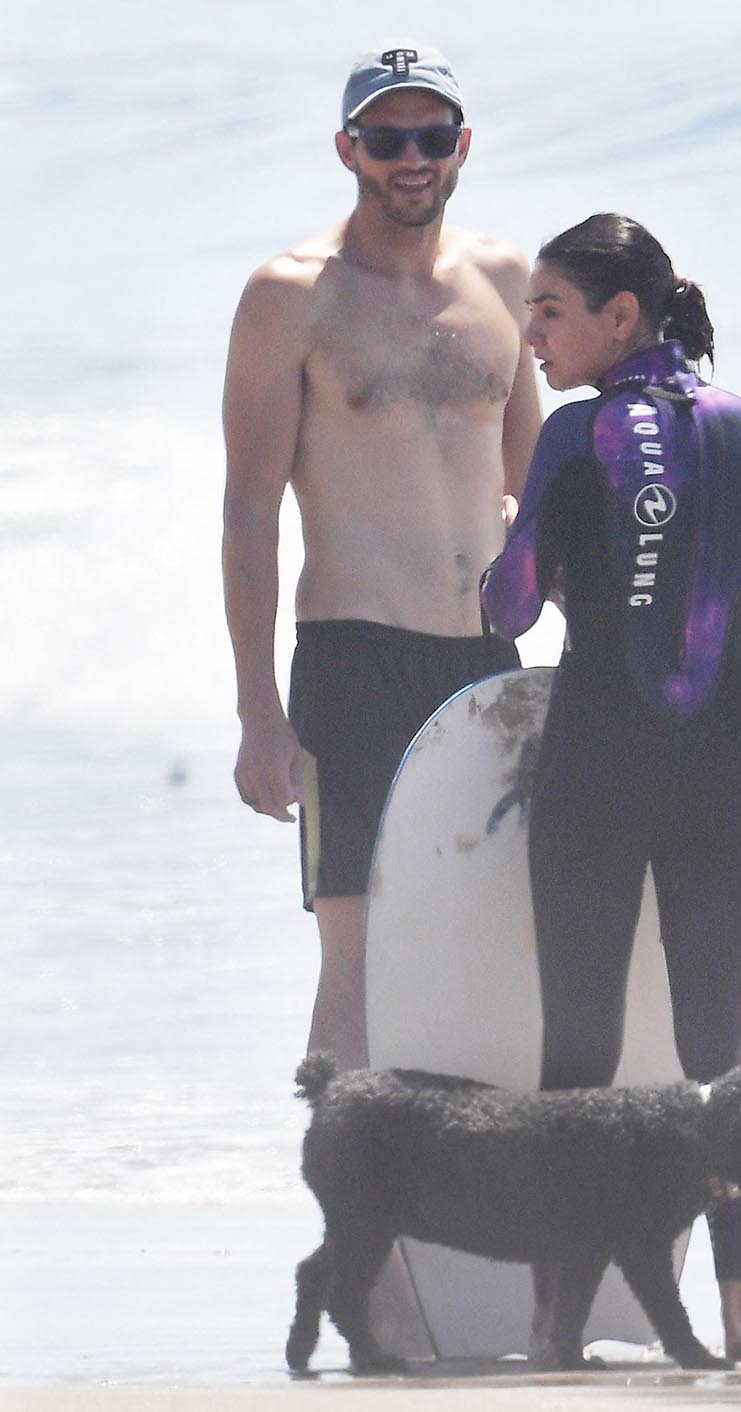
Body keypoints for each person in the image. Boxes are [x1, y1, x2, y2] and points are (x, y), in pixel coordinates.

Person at [481, 214, 741, 1362]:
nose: (530, 335)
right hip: (724, 757)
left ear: (622, 318)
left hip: (600, 758)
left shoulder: (577, 436)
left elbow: (508, 607)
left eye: (550, 310)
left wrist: (534, 542)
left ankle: (553, 1315)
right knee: (727, 1036)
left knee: (582, 1042)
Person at [222, 42, 542, 1068]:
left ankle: (459, 1216)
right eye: (388, 137)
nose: (412, 157)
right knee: (356, 962)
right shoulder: (290, 295)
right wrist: (257, 711)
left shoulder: (504, 280)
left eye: (432, 135)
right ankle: (358, 1221)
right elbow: (247, 513)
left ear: (462, 146)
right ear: (347, 148)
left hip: (485, 662)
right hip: (353, 662)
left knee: (484, 951)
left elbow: (537, 496)